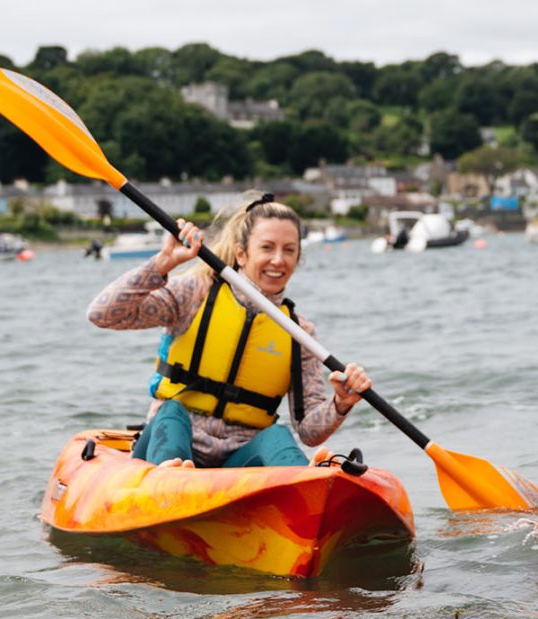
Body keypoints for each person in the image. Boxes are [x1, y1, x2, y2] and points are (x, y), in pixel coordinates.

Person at [87, 192, 371, 468]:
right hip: (171, 442)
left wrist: (340, 403)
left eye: (289, 250)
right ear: (241, 254)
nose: (278, 260)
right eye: (267, 247)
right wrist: (163, 263)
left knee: (277, 435)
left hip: (238, 462)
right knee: (171, 412)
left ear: (297, 258)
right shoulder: (194, 294)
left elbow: (309, 432)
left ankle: (304, 487)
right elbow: (103, 313)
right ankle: (171, 478)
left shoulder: (300, 334)